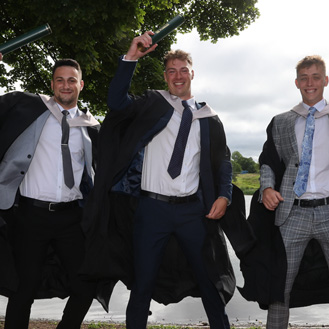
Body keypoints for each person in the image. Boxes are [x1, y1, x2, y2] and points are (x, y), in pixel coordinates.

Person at [81, 31, 242, 329]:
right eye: (171, 71)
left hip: (193, 212)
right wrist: (131, 57)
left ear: (192, 73)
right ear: (165, 76)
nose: (178, 76)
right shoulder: (153, 104)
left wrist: (224, 195)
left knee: (208, 281)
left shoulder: (208, 117)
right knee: (142, 284)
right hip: (151, 210)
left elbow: (223, 161)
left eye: (183, 70)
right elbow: (116, 103)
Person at [0, 53, 100, 329]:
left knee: (85, 285)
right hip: (30, 216)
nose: (65, 85)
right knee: (24, 289)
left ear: (81, 85)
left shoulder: (91, 127)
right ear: (52, 84)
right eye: (59, 80)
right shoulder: (28, 110)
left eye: (71, 80)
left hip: (72, 219)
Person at [249, 55, 329, 329]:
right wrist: (267, 187)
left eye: (316, 77)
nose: (310, 83)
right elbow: (269, 161)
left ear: (325, 80)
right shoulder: (282, 122)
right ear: (297, 83)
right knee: (279, 287)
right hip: (292, 213)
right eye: (304, 78)